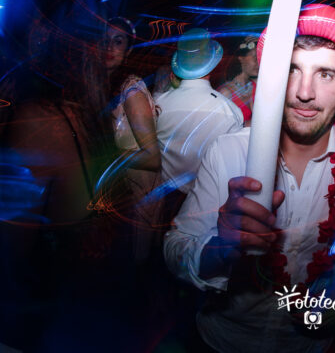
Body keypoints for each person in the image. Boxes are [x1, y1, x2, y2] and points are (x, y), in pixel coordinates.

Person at [163, 4, 335, 352]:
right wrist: (221, 248)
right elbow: (175, 249)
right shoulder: (227, 152)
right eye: (291, 70)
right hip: (222, 342)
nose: (304, 92)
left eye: (325, 74)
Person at [155, 28, 243, 196]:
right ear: (212, 64)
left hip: (163, 200)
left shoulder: (158, 104)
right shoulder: (230, 112)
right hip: (207, 203)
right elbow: (233, 167)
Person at [103, 16, 162, 261]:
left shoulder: (132, 90)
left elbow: (153, 158)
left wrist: (105, 153)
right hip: (120, 194)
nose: (109, 47)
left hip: (139, 198)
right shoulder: (104, 87)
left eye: (118, 41)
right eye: (104, 40)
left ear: (127, 51)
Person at [218, 34, 259, 124]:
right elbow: (223, 128)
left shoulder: (256, 86)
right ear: (241, 58)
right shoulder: (226, 92)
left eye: (259, 58)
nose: (258, 62)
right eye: (254, 56)